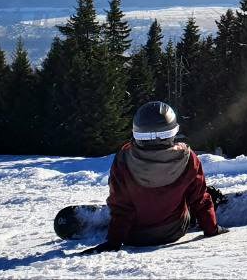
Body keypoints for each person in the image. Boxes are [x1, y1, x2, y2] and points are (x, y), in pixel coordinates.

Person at [82, 101, 226, 255]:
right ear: (171, 132)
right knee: (194, 191)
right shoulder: (188, 158)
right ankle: (205, 212)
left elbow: (121, 206)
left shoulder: (123, 159)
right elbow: (199, 199)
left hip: (134, 237)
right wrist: (212, 229)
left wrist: (113, 241)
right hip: (174, 231)